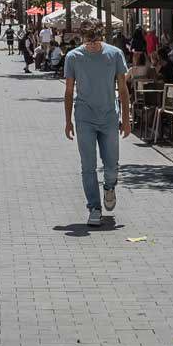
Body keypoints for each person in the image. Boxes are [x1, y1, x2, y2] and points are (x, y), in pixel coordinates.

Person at [64, 23, 132, 227]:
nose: (92, 44)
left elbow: (123, 88)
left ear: (101, 36)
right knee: (88, 165)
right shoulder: (73, 57)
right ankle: (94, 207)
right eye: (88, 40)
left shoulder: (115, 54)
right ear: (82, 38)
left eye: (95, 39)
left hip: (109, 116)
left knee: (111, 164)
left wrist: (127, 119)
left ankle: (109, 187)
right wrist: (68, 121)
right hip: (84, 116)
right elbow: (68, 91)